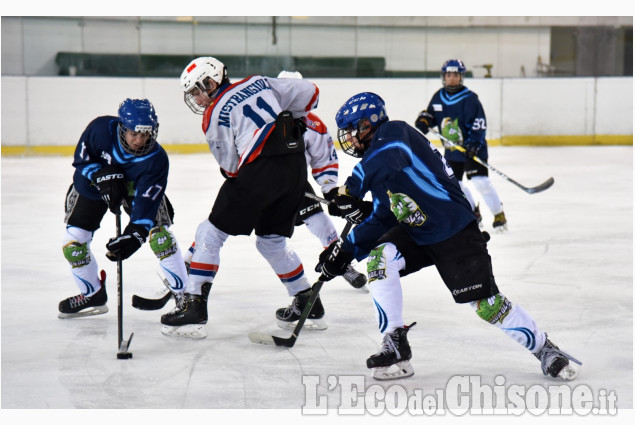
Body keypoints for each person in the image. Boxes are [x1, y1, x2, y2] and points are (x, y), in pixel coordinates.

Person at [318, 92, 581, 381]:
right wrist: (345, 253)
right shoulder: (377, 162)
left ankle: (545, 349)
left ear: (371, 123)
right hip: (417, 232)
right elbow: (382, 216)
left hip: (454, 230)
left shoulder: (395, 133)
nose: (350, 139)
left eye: (353, 130)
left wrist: (351, 189)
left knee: (487, 305)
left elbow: (384, 157)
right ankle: (394, 343)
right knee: (381, 259)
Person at [160, 57, 325, 338]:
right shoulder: (259, 82)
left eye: (198, 90)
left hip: (261, 171)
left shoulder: (212, 116)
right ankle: (306, 300)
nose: (197, 99)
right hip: (296, 170)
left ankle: (195, 305)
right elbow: (312, 94)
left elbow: (231, 167)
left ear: (211, 82)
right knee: (271, 242)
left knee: (209, 234)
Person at [59, 99, 189, 319]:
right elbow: (81, 161)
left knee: (161, 238)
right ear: (122, 128)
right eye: (134, 134)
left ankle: (185, 298)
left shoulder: (156, 160)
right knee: (73, 244)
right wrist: (101, 176)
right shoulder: (99, 129)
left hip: (134, 191)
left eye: (146, 134)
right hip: (93, 189)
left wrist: (134, 235)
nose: (140, 141)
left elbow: (147, 207)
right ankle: (93, 294)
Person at [277, 70, 367, 290]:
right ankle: (195, 257)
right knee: (228, 220)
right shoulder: (261, 119)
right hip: (257, 182)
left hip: (294, 183)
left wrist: (329, 189)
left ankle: (341, 262)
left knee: (317, 217)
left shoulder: (313, 126)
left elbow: (323, 159)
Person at [415, 59, 507, 232]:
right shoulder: (438, 97)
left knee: (481, 182)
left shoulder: (470, 99)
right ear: (444, 76)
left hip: (473, 149)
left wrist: (474, 144)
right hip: (452, 151)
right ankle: (473, 211)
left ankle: (498, 213)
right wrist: (424, 119)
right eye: (448, 75)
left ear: (461, 77)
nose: (452, 78)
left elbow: (479, 124)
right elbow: (430, 116)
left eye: (455, 75)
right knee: (455, 186)